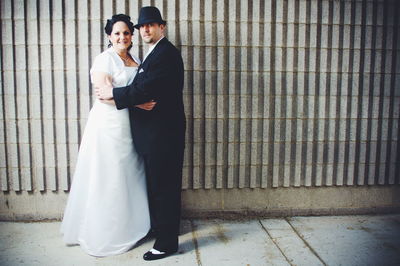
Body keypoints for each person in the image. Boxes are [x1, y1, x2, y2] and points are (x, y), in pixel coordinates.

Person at [60, 14, 156, 257]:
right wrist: (137, 103)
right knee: (110, 176)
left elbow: (129, 91)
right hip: (109, 126)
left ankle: (133, 226)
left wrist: (135, 101)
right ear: (109, 36)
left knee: (129, 175)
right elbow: (104, 95)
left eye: (126, 33)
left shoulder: (135, 59)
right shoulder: (105, 59)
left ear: (132, 36)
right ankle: (107, 232)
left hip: (132, 126)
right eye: (117, 33)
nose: (122, 37)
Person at [96, 6, 186, 261]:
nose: (146, 29)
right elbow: (143, 88)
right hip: (155, 135)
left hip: (164, 135)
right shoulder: (153, 53)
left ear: (162, 27)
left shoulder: (166, 54)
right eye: (142, 26)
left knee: (164, 188)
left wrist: (113, 94)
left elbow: (145, 88)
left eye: (151, 25)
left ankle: (167, 243)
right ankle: (164, 230)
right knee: (158, 186)